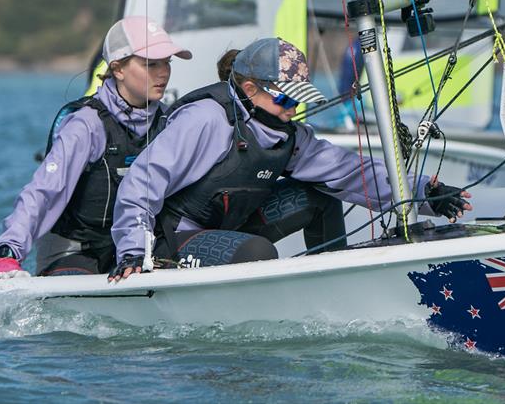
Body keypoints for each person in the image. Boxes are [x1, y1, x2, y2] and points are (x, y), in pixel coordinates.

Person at [108, 37, 471, 282]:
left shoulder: (288, 134)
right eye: (286, 100)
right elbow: (141, 182)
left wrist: (425, 194)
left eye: (299, 99)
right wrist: (133, 253)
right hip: (176, 239)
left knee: (320, 196)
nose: (294, 109)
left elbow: (349, 172)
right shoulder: (206, 119)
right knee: (258, 252)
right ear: (250, 90)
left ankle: (332, 288)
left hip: (230, 226)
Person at [0, 16, 192, 282]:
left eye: (167, 62)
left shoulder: (169, 122)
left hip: (134, 247)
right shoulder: (86, 124)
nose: (163, 72)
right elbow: (43, 191)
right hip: (74, 250)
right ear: (118, 69)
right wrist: (8, 252)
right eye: (151, 63)